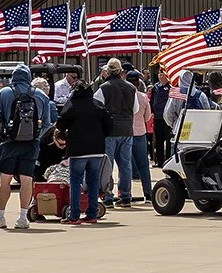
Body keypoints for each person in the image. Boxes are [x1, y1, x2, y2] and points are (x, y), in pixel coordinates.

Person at [0, 64, 53, 229]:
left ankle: (1, 216)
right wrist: (36, 135)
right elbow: (47, 122)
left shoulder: (4, 93)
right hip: (31, 144)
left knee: (5, 180)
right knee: (26, 180)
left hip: (9, 143)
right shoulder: (40, 95)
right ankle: (23, 218)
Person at [56, 82, 114, 224]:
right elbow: (109, 126)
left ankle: (74, 215)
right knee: (93, 182)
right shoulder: (98, 105)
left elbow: (60, 125)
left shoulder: (71, 105)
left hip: (78, 150)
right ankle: (92, 214)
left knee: (75, 182)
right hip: (96, 150)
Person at [94, 58, 142, 208]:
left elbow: (96, 107)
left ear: (107, 71)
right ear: (121, 71)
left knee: (107, 165)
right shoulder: (130, 88)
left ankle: (108, 196)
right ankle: (125, 196)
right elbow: (135, 109)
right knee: (125, 165)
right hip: (127, 130)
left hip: (109, 131)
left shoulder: (104, 88)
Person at [124, 70, 155, 204]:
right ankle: (148, 194)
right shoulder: (143, 97)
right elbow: (148, 116)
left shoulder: (123, 96)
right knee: (143, 166)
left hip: (126, 133)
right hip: (140, 133)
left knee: (126, 166)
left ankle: (126, 194)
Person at [150, 71, 173, 165]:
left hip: (166, 117)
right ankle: (159, 161)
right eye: (160, 74)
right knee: (158, 139)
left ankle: (167, 160)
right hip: (157, 116)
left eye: (163, 74)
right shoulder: (155, 87)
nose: (161, 76)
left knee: (168, 139)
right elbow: (152, 100)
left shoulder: (170, 87)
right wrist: (152, 111)